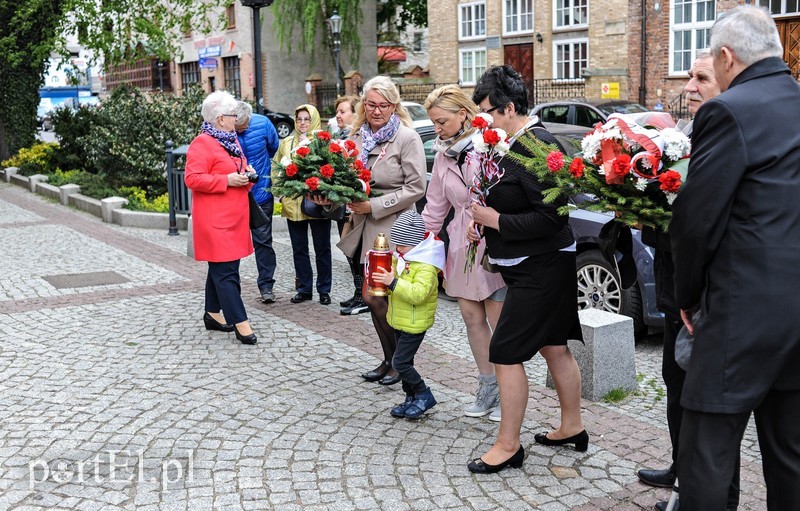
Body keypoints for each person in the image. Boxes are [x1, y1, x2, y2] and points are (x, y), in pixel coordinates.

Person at [671, 6, 800, 510]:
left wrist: (686, 295)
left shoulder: (728, 110)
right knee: (790, 452)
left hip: (741, 310)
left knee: (707, 450)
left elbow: (696, 218)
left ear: (726, 57)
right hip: (794, 312)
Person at [465, 65, 586, 474]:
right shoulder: (510, 143)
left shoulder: (536, 145)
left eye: (487, 112)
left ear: (509, 108)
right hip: (533, 263)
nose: (482, 121)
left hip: (544, 265)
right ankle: (572, 427)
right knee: (553, 345)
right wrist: (484, 222)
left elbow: (553, 216)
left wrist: (495, 220)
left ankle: (508, 445)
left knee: (504, 351)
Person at [636, 53, 741, 511]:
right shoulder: (685, 134)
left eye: (701, 78)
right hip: (673, 281)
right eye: (689, 77)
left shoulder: (726, 136)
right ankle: (681, 467)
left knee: (704, 399)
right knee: (674, 380)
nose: (689, 86)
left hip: (701, 292)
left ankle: (698, 492)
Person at [420, 84, 506, 418]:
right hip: (460, 241)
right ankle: (487, 386)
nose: (436, 129)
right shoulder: (443, 155)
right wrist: (420, 244)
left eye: (441, 121)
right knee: (472, 318)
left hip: (491, 239)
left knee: (499, 320)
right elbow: (435, 206)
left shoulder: (488, 145)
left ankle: (508, 390)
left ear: (463, 114)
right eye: (433, 122)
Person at [335, 75, 427, 386]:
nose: (376, 111)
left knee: (374, 296)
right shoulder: (357, 136)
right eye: (371, 104)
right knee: (374, 296)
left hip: (394, 227)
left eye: (383, 105)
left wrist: (373, 205)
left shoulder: (407, 138)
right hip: (364, 227)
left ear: (394, 106)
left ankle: (400, 362)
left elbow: (416, 188)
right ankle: (390, 360)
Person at [184, 90, 257, 345]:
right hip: (215, 221)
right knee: (226, 273)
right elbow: (192, 178)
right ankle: (241, 322)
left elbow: (235, 169)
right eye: (232, 114)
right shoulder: (202, 143)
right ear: (220, 118)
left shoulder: (230, 140)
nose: (236, 118)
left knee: (223, 267)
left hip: (234, 218)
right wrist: (225, 180)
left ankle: (212, 314)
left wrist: (246, 174)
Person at [372, 211, 445, 420]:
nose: (398, 249)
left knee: (400, 363)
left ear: (416, 243)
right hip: (400, 320)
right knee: (406, 362)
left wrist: (393, 282)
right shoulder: (405, 258)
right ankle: (410, 397)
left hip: (414, 323)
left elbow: (418, 294)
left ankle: (423, 394)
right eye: (397, 244)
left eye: (403, 245)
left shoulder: (426, 265)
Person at [273, 104, 333, 305]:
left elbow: (329, 169)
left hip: (317, 203)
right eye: (299, 119)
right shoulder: (287, 142)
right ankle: (304, 288)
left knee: (322, 248)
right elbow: (276, 167)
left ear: (314, 120)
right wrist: (280, 193)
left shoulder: (322, 142)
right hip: (293, 204)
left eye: (307, 119)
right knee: (299, 249)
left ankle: (324, 289)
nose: (303, 123)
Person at [234, 101, 280, 304]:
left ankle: (266, 286)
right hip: (236, 194)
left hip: (261, 193)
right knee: (233, 242)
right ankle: (231, 287)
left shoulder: (263, 124)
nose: (239, 131)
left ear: (249, 119)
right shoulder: (226, 129)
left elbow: (273, 147)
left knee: (263, 241)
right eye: (237, 128)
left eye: (243, 127)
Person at [332, 95, 369, 316]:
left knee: (358, 252)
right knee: (349, 252)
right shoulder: (338, 138)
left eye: (343, 111)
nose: (338, 115)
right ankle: (358, 292)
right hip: (343, 206)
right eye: (337, 111)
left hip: (356, 207)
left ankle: (364, 295)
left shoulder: (360, 140)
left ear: (356, 114)